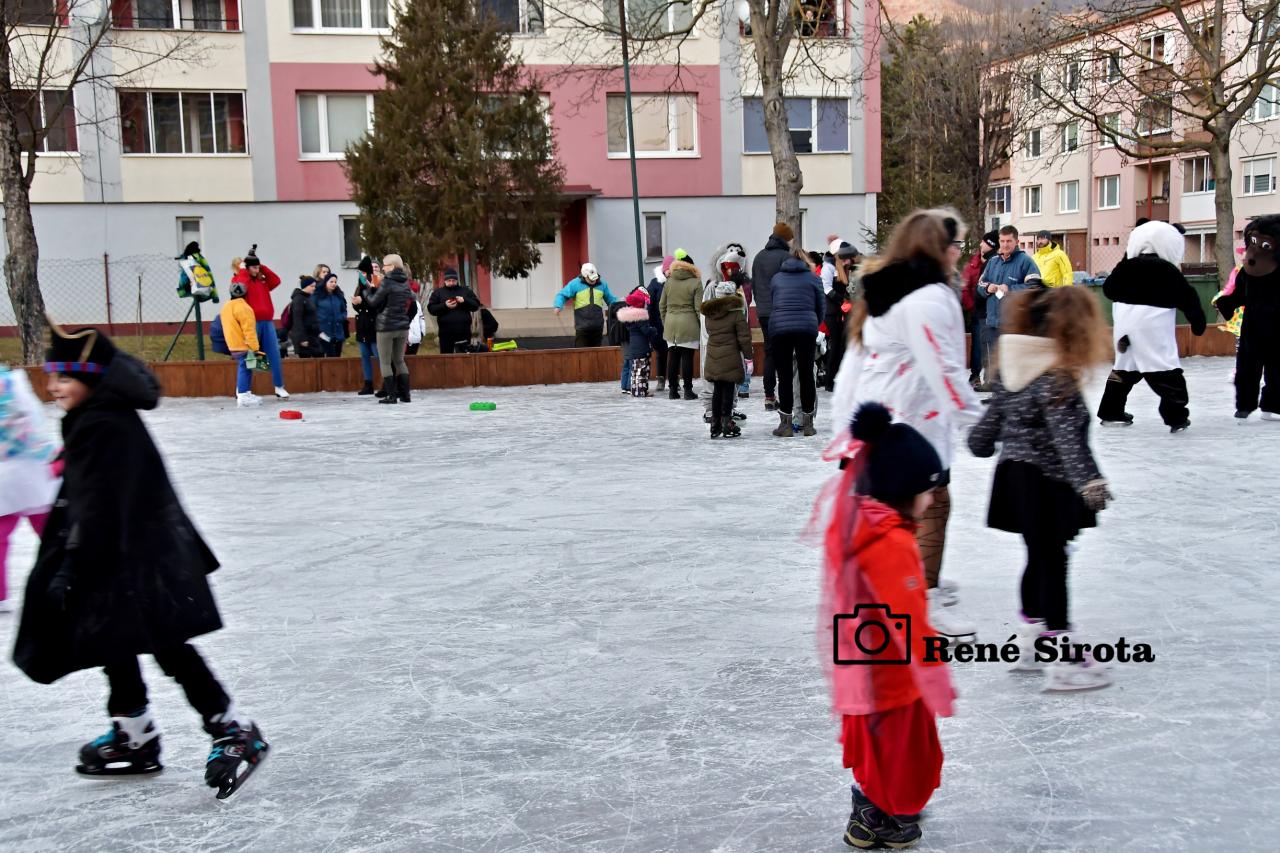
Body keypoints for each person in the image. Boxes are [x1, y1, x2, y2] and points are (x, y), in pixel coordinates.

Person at [14, 324, 269, 798]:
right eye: (52, 377)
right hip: (119, 555)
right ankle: (135, 732)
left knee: (167, 646)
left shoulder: (104, 424)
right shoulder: (94, 415)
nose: (52, 387)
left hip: (141, 558)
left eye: (63, 377)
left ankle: (232, 728)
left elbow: (100, 505)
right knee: (112, 640)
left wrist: (70, 564)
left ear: (90, 378)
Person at [829, 209, 985, 644]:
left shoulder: (889, 287)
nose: (959, 253)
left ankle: (905, 591)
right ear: (938, 247)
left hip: (888, 417)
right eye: (955, 245)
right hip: (909, 424)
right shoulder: (927, 297)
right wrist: (980, 424)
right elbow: (945, 369)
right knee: (928, 506)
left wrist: (845, 429)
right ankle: (917, 600)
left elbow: (853, 365)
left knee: (906, 511)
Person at [820, 402, 956, 850]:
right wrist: (934, 671)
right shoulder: (892, 543)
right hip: (890, 678)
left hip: (864, 668)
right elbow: (908, 620)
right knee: (904, 755)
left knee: (883, 751)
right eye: (927, 490)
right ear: (903, 490)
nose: (931, 499)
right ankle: (884, 818)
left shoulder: (863, 524)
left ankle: (874, 814)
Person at [968, 287, 1115, 692]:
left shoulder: (1010, 371)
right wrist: (1089, 482)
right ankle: (1062, 654)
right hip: (1048, 483)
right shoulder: (1055, 377)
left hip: (1014, 479)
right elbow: (1068, 440)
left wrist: (985, 440)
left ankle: (1032, 641)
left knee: (1038, 556)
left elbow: (982, 437)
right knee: (1052, 560)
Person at [1097, 220, 1206, 432]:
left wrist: (1126, 258)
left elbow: (1109, 289)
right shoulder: (1167, 269)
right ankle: (1176, 416)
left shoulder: (1127, 267)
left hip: (1125, 328)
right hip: (1153, 328)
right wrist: (1197, 321)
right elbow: (1188, 297)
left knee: (1124, 369)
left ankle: (1111, 412)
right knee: (1165, 371)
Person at [0, 365, 57, 614]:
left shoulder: (12, 382)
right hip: (32, 468)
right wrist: (49, 453)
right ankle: (75, 576)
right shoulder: (13, 382)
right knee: (52, 531)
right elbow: (35, 423)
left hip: (11, 473)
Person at [1215, 214, 1280, 422]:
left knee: (1268, 367)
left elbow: (1238, 294)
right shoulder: (1249, 272)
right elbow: (1239, 294)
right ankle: (1247, 405)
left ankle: (1266, 405)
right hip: (1255, 326)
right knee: (1249, 367)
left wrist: (1227, 303)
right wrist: (1227, 303)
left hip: (1261, 326)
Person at [766, 247, 824, 436]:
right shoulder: (814, 278)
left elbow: (774, 303)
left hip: (780, 328)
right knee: (806, 375)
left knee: (784, 376)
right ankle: (808, 424)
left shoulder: (777, 278)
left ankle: (786, 425)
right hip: (806, 328)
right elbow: (821, 307)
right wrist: (813, 323)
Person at [975, 226, 1039, 381]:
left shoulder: (1026, 261)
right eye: (1002, 241)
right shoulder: (993, 262)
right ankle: (995, 391)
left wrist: (1010, 289)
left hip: (1014, 324)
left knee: (1011, 369)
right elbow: (980, 284)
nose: (1005, 245)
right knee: (995, 367)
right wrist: (988, 288)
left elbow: (1035, 287)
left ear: (1017, 241)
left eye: (1009, 241)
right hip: (992, 322)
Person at [229, 245, 288, 399]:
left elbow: (276, 280)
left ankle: (279, 386)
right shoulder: (239, 279)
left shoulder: (262, 281)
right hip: (251, 324)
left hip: (267, 322)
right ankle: (242, 390)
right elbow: (241, 286)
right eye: (253, 268)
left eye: (258, 267)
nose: (257, 270)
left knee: (274, 354)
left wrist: (261, 266)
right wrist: (244, 270)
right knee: (249, 357)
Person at [700, 244, 750, 423]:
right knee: (713, 378)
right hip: (714, 341)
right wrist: (708, 339)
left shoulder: (738, 289)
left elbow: (743, 316)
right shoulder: (713, 287)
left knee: (731, 377)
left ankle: (729, 409)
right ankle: (711, 410)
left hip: (732, 343)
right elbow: (706, 315)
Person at [699, 281, 753, 438]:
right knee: (728, 390)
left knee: (717, 390)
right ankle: (727, 423)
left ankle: (715, 424)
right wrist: (749, 358)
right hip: (731, 356)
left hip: (713, 356)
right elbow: (744, 338)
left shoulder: (710, 314)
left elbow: (709, 332)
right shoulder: (736, 314)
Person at [752, 223, 793, 411]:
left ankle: (769, 395)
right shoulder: (786, 257)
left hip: (764, 312)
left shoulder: (759, 257)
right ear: (785, 239)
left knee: (769, 352)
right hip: (782, 312)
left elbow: (754, 285)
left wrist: (761, 306)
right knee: (784, 354)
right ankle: (786, 397)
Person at [368, 254, 416, 404]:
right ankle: (406, 395)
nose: (383, 268)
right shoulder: (405, 282)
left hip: (386, 326)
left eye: (385, 265)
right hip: (402, 326)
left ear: (393, 267)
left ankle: (391, 396)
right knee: (399, 360)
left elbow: (373, 302)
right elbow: (413, 297)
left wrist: (367, 291)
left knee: (385, 362)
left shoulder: (387, 282)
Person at [660, 255, 703, 400]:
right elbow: (698, 308)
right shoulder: (696, 282)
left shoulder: (669, 282)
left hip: (671, 323)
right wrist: (702, 326)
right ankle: (688, 391)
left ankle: (672, 390)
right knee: (687, 357)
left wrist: (666, 321)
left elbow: (662, 305)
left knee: (672, 356)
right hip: (689, 323)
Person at [219, 280, 264, 407]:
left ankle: (244, 392)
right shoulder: (245, 308)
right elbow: (249, 330)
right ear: (246, 293)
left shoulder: (226, 307)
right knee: (245, 367)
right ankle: (243, 395)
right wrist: (255, 347)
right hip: (244, 344)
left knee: (246, 367)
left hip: (232, 343)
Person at [962, 231, 999, 388]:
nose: (980, 244)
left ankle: (991, 378)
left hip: (989, 310)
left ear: (991, 245)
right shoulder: (973, 263)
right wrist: (972, 306)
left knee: (989, 345)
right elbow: (965, 288)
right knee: (978, 345)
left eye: (984, 242)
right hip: (977, 310)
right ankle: (975, 376)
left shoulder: (993, 262)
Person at [554, 263, 618, 347]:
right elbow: (562, 295)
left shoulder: (602, 284)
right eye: (591, 279)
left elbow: (611, 299)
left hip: (597, 326)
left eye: (595, 278)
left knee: (596, 353)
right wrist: (558, 306)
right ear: (584, 276)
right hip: (582, 327)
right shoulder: (575, 284)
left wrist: (619, 306)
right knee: (581, 353)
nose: (594, 281)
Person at [824, 243, 860, 391]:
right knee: (836, 345)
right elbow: (826, 288)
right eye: (846, 259)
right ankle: (830, 380)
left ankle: (838, 378)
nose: (848, 262)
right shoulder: (829, 267)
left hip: (842, 311)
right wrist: (842, 300)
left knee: (841, 346)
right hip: (832, 312)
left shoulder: (845, 269)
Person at [428, 267, 481, 355]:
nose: (451, 283)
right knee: (446, 358)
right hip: (445, 333)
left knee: (464, 357)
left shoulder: (465, 291)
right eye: (449, 281)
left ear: (457, 280)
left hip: (463, 331)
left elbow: (476, 305)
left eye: (453, 280)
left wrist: (464, 301)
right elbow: (431, 309)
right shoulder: (438, 293)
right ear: (445, 281)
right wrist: (445, 305)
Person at [618, 289, 658, 397]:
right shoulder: (641, 316)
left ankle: (635, 391)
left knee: (635, 371)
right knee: (642, 371)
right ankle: (641, 392)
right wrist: (654, 330)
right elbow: (646, 331)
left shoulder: (629, 318)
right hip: (642, 348)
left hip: (634, 349)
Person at [351, 256, 381, 395]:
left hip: (374, 325)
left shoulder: (375, 283)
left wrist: (361, 301)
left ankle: (387, 383)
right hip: (362, 325)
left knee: (378, 355)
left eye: (363, 272)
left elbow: (376, 303)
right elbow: (358, 306)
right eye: (360, 272)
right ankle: (368, 384)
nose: (361, 275)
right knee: (364, 356)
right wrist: (356, 303)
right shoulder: (359, 286)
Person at [313, 273, 348, 358]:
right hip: (323, 332)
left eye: (335, 282)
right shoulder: (317, 296)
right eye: (331, 282)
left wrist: (341, 317)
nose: (334, 284)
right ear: (325, 282)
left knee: (336, 357)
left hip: (338, 331)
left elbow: (344, 310)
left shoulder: (338, 295)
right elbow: (312, 312)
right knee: (327, 357)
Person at [647, 262, 669, 393]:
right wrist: (650, 324)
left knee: (674, 352)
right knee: (661, 353)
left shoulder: (675, 281)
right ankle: (661, 380)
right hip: (658, 324)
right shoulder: (655, 283)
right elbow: (650, 304)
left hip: (672, 322)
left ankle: (675, 380)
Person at [288, 276, 323, 358]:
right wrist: (302, 338)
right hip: (304, 337)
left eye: (315, 286)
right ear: (305, 286)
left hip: (312, 336)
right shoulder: (298, 299)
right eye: (312, 286)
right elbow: (297, 320)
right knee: (307, 360)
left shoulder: (308, 298)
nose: (314, 288)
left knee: (319, 356)